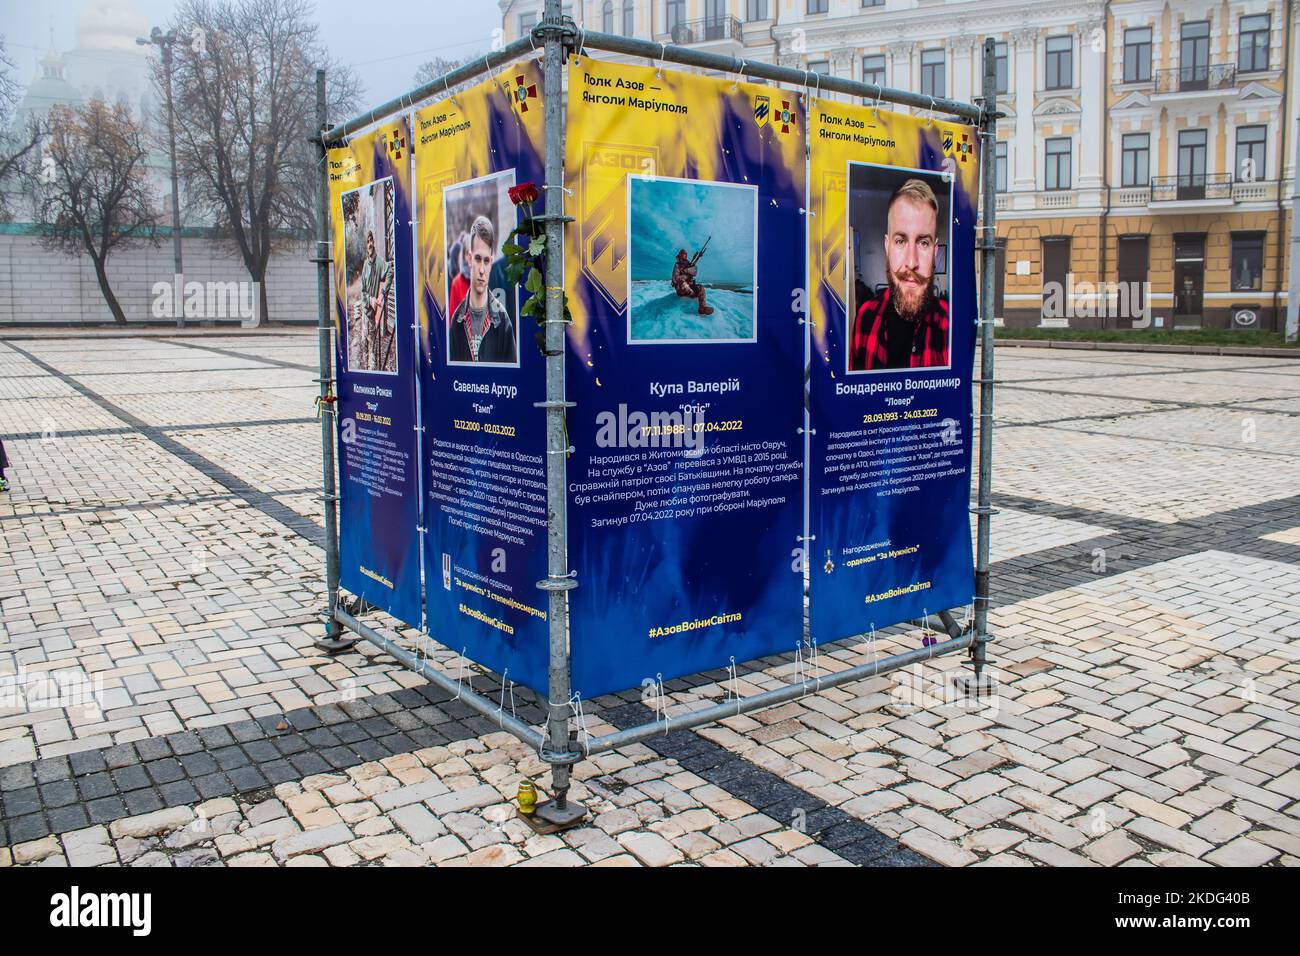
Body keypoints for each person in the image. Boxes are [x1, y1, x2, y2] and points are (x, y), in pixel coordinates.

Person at [848, 177, 949, 372]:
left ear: (935, 252)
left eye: (923, 243)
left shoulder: (950, 325)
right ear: (888, 247)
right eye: (901, 241)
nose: (911, 262)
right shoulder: (865, 317)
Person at [449, 215, 517, 364]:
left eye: (486, 261)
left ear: (491, 262)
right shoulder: (457, 320)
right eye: (478, 258)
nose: (481, 270)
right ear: (469, 258)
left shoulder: (503, 322)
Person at [360, 229, 392, 368]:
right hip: (364, 314)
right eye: (367, 242)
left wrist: (383, 293)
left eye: (371, 241)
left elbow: (390, 272)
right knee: (363, 347)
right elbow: (362, 291)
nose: (370, 244)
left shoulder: (379, 263)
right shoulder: (365, 265)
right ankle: (364, 374)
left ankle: (372, 377)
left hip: (372, 317)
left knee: (372, 350)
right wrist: (370, 300)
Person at [671, 242, 713, 316]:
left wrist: (697, 257)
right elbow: (675, 278)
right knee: (681, 281)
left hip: (689, 287)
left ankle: (702, 308)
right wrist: (686, 275)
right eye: (683, 254)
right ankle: (693, 294)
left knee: (700, 287)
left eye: (685, 254)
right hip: (681, 289)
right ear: (680, 255)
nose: (684, 255)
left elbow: (693, 267)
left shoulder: (688, 264)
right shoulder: (677, 265)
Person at [448, 233, 470, 318]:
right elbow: (453, 317)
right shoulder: (457, 282)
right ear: (464, 255)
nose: (470, 256)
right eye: (468, 253)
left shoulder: (486, 276)